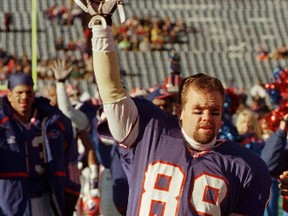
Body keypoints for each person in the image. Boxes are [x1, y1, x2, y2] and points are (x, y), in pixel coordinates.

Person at [77, 0, 271, 215]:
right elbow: (111, 91)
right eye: (198, 110)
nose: (207, 117)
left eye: (214, 111)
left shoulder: (245, 166)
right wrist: (101, 28)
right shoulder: (148, 133)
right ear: (181, 111)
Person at [0, 73, 80, 215]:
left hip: (45, 198)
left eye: (28, 92)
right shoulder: (3, 123)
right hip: (9, 200)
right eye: (19, 92)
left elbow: (71, 161)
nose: (24, 97)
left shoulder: (55, 121)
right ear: (9, 95)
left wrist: (71, 193)